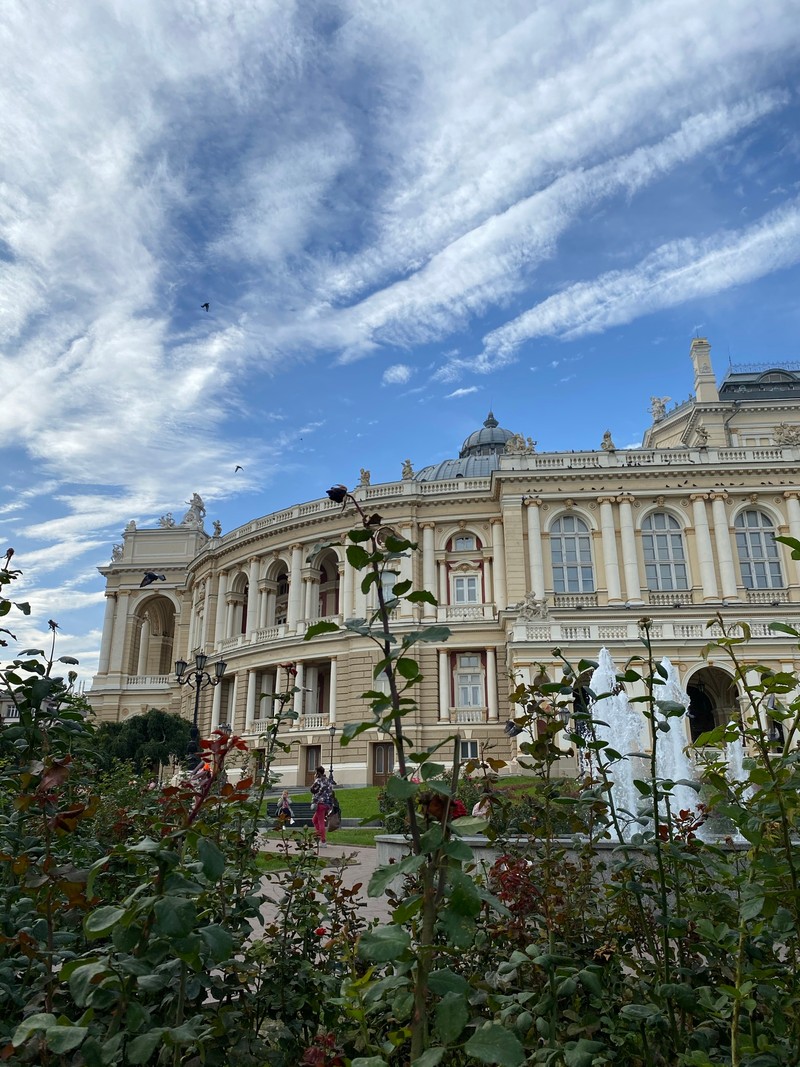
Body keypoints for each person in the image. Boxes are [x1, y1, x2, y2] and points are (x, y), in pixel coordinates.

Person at [310, 766, 335, 846]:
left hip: (320, 804)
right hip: (327, 804)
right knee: (314, 820)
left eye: (316, 772)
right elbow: (331, 792)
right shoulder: (328, 780)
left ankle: (323, 841)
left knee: (320, 822)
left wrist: (314, 802)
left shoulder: (318, 780)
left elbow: (313, 791)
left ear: (318, 773)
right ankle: (319, 838)